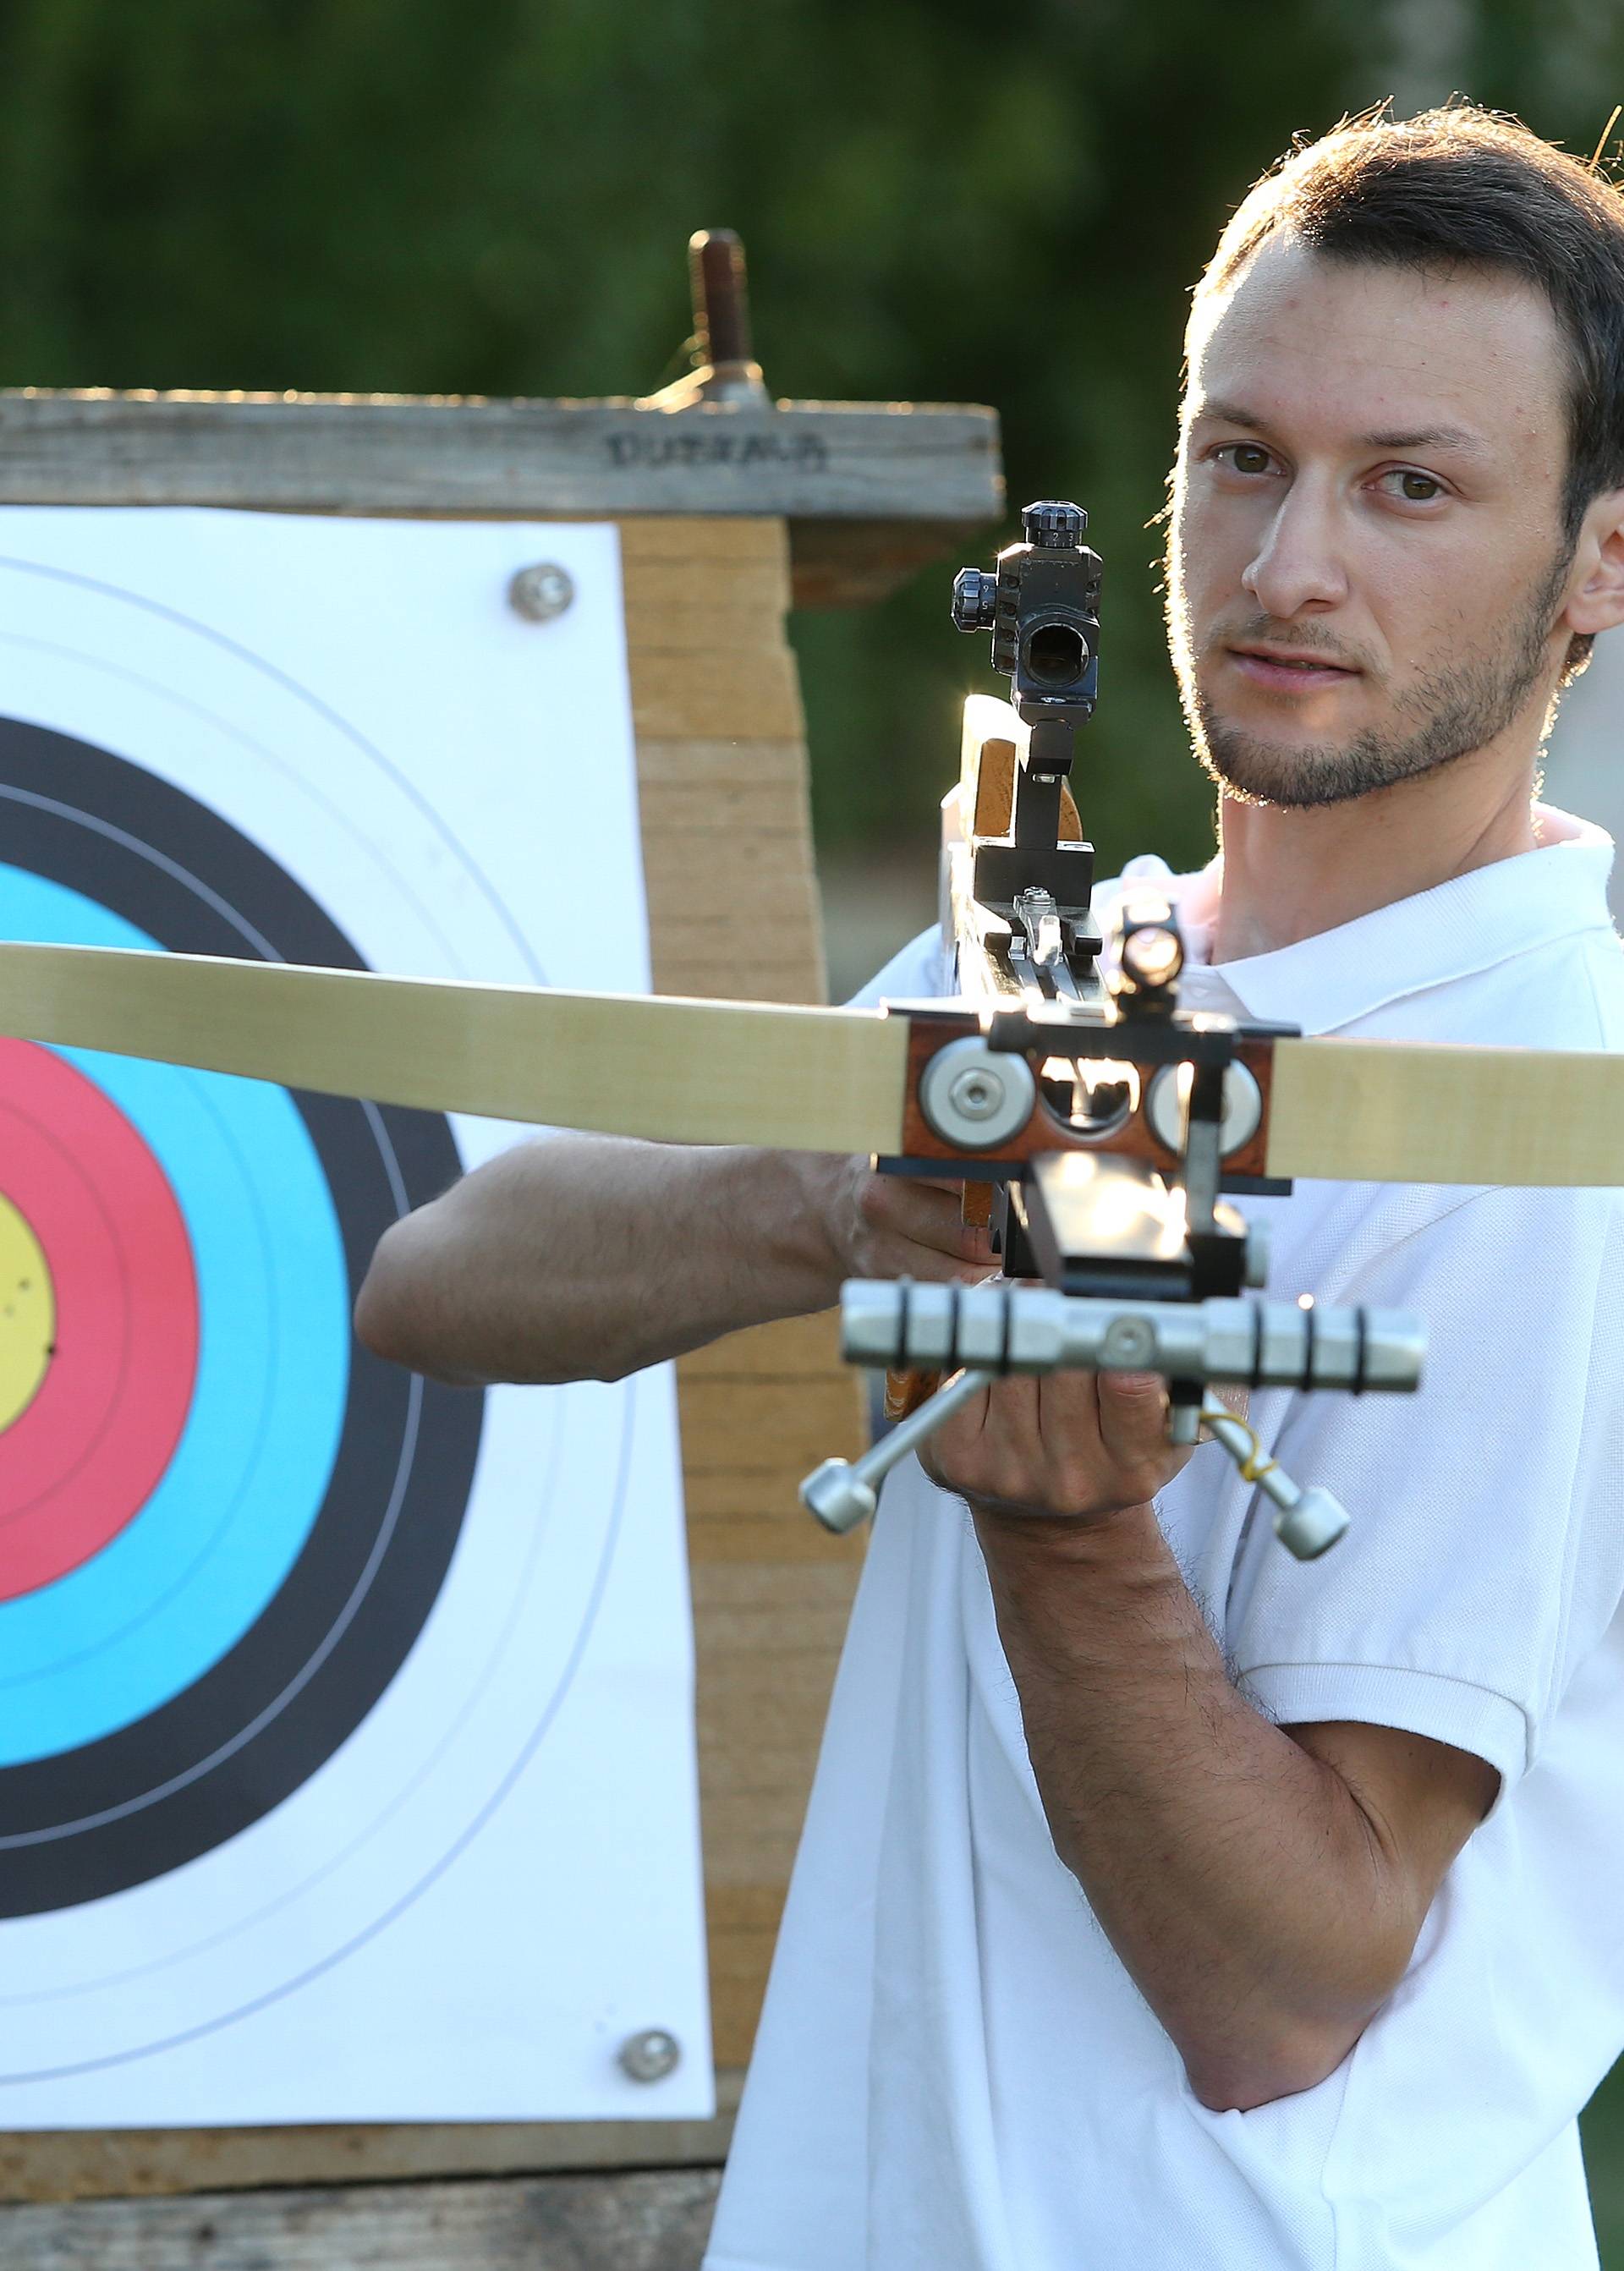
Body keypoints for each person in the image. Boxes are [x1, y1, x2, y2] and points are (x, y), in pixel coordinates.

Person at [356, 104, 1624, 2269]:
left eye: (1411, 483)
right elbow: (438, 1275)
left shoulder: (1551, 1114)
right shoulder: (1070, 962)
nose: (1290, 562)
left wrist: (1075, 1533)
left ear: (1600, 560)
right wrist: (869, 1190)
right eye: (1242, 457)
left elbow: (1286, 1991)